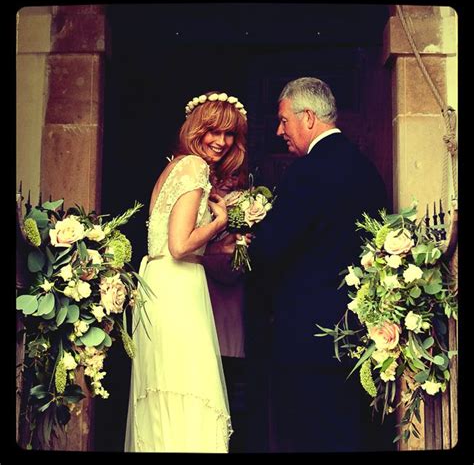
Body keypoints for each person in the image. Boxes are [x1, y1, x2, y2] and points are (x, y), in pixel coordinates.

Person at [246, 77, 393, 452]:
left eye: (283, 120)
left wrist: (251, 238)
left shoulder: (306, 172)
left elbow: (271, 248)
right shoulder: (368, 169)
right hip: (358, 334)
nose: (280, 131)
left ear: (308, 118)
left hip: (306, 339)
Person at [124, 91, 248, 453]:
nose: (222, 142)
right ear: (197, 129)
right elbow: (180, 245)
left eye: (230, 135)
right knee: (188, 386)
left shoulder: (175, 167)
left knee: (168, 388)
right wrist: (221, 221)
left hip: (163, 284)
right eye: (214, 132)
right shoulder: (193, 168)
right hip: (177, 287)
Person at [203, 169, 248, 452]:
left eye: (236, 175)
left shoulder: (240, 209)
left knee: (234, 401)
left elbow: (234, 273)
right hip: (209, 314)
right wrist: (218, 251)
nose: (230, 182)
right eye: (225, 174)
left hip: (233, 324)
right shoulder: (205, 208)